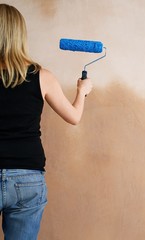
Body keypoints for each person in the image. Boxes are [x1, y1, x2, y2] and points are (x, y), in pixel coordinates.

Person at [0, 4, 93, 239]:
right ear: (20, 35)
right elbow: (74, 117)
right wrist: (82, 91)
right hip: (28, 179)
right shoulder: (42, 76)